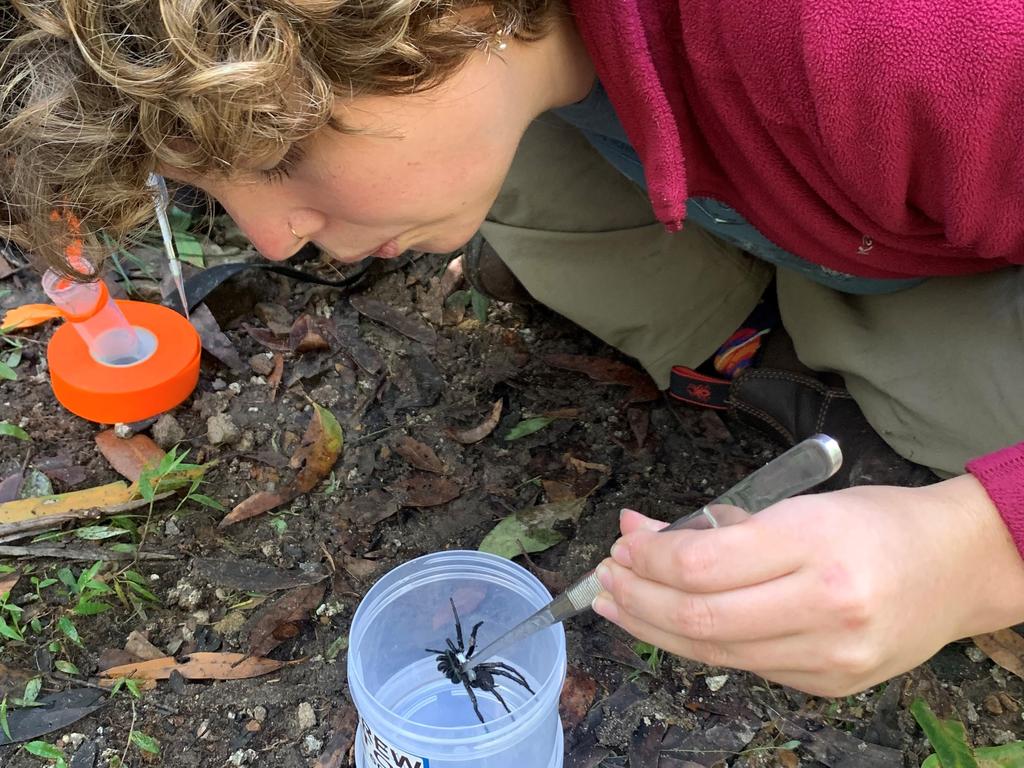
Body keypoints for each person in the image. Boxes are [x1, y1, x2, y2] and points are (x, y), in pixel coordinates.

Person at [3, 0, 1024, 698]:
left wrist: (970, 551)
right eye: (214, 192)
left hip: (942, 229)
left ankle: (882, 338)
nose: (270, 239)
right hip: (808, 195)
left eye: (281, 155)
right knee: (493, 186)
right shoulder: (485, 62)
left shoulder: (905, 45)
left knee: (970, 428)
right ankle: (771, 340)